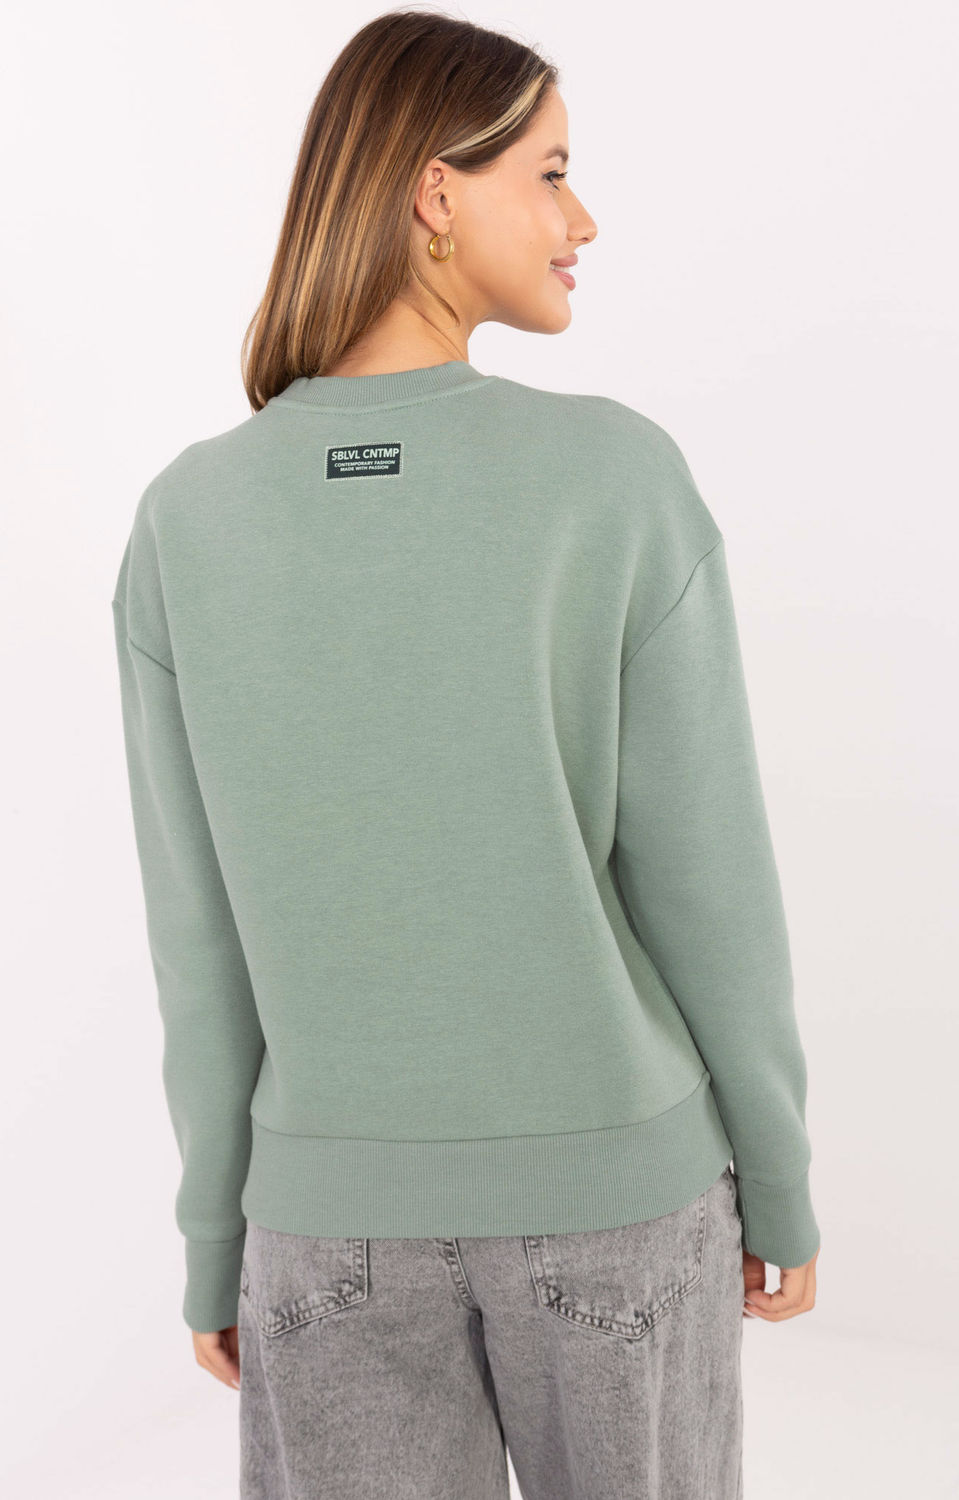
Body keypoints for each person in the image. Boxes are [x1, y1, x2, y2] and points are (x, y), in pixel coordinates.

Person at [110, 10, 820, 1498]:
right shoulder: (614, 476)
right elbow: (709, 881)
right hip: (618, 1203)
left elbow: (199, 941)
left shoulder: (188, 519)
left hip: (322, 1230)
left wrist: (216, 1238)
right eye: (550, 172)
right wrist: (780, 1175)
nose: (583, 218)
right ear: (436, 191)